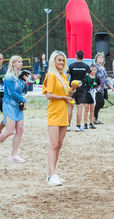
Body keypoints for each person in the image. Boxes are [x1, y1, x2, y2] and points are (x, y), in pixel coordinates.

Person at [42, 50, 76, 185]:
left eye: (63, 60)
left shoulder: (63, 76)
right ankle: (51, 174)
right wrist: (63, 97)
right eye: (59, 60)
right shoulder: (51, 75)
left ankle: (52, 173)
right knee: (53, 144)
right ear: (53, 61)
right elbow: (48, 95)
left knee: (59, 145)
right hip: (54, 112)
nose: (61, 62)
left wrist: (72, 89)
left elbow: (68, 93)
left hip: (64, 112)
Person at [0, 56, 28, 162]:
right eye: (19, 62)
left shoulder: (19, 77)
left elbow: (23, 91)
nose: (21, 64)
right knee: (9, 131)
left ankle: (14, 155)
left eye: (21, 62)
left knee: (20, 130)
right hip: (9, 105)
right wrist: (23, 100)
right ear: (13, 63)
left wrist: (26, 83)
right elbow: (11, 93)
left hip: (18, 106)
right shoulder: (8, 77)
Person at [67, 50, 90, 132]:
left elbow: (66, 77)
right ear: (83, 56)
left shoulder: (71, 66)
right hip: (81, 88)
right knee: (79, 107)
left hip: (72, 88)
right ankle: (78, 126)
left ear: (76, 56)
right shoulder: (86, 66)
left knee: (70, 107)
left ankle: (68, 126)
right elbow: (90, 76)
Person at [93, 53, 112, 124]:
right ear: (96, 59)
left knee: (100, 103)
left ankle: (95, 118)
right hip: (96, 88)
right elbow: (92, 76)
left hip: (102, 88)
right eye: (99, 57)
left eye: (102, 58)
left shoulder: (103, 67)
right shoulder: (95, 66)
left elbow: (106, 78)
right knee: (100, 102)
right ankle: (93, 118)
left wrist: (110, 85)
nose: (101, 59)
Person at [83, 64, 101, 129]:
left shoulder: (97, 78)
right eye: (92, 70)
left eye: (95, 70)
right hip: (87, 94)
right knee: (86, 109)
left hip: (93, 94)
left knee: (92, 110)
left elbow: (99, 85)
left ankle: (91, 123)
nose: (93, 71)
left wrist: (97, 90)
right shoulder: (86, 77)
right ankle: (85, 123)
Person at [0, 53, 7, 133]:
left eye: (0, 59)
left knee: (7, 117)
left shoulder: (6, 70)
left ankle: (0, 129)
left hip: (4, 97)